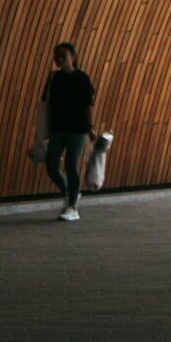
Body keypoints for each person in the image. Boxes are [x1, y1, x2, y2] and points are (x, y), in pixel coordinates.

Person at [38, 43, 99, 222]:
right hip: (57, 128)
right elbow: (46, 102)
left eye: (63, 55)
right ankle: (70, 192)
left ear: (73, 56)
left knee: (71, 164)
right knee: (51, 165)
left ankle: (72, 207)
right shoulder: (54, 78)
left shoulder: (82, 78)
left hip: (77, 129)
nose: (59, 59)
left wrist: (90, 127)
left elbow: (88, 104)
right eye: (56, 56)